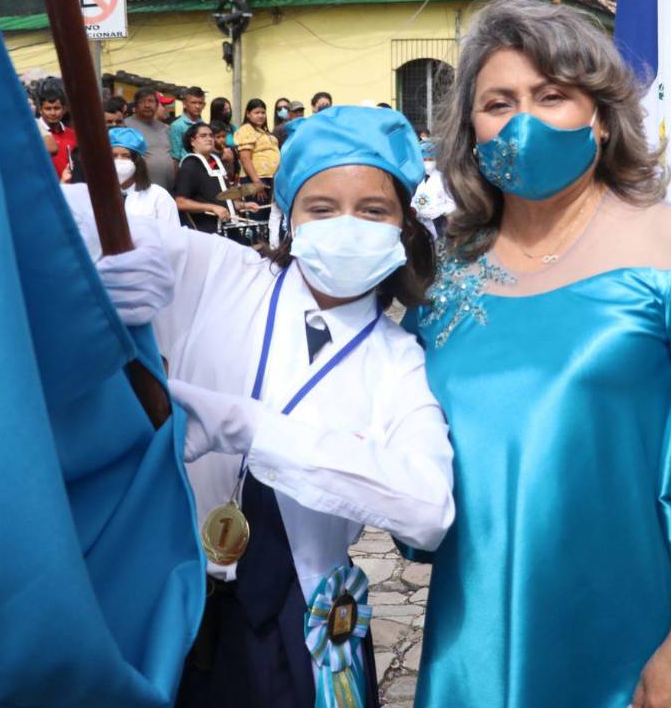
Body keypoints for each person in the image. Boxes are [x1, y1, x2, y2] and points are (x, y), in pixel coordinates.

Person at [406, 0, 671, 708]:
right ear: (469, 129)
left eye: (551, 95)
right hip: (479, 634)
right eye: (498, 102)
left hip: (637, 630)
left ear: (599, 115)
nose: (522, 120)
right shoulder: (448, 277)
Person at [80, 106, 456, 708]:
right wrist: (99, 271)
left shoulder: (398, 360)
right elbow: (66, 223)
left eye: (374, 210)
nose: (347, 226)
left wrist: (252, 429)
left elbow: (427, 507)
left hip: (298, 631)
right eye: (323, 208)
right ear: (288, 217)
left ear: (405, 227)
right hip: (166, 601)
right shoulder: (219, 273)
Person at [174, 120, 246, 234]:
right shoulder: (190, 165)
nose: (209, 139)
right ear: (192, 141)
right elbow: (180, 202)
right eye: (203, 136)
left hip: (227, 228)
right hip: (207, 232)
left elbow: (222, 202)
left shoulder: (216, 162)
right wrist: (211, 208)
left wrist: (243, 205)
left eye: (211, 135)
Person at [108, 126, 179, 228]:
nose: (119, 161)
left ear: (137, 161)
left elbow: (172, 235)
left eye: (126, 156)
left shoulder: (158, 196)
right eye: (114, 156)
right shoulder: (96, 195)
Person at [124, 87, 176, 191]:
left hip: (168, 189)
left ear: (157, 105)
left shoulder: (165, 128)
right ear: (136, 106)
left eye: (151, 101)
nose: (147, 105)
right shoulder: (126, 125)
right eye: (142, 102)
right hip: (141, 189)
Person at [234, 98, 280, 202]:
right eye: (257, 112)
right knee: (259, 214)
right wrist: (257, 182)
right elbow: (245, 158)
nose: (260, 115)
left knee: (269, 215)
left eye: (263, 112)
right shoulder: (246, 130)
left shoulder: (263, 132)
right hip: (256, 179)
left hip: (270, 178)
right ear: (248, 114)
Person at [36, 78, 76, 179]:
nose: (53, 113)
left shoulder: (72, 135)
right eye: (48, 109)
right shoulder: (34, 133)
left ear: (64, 109)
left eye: (57, 108)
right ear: (40, 110)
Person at [170, 86, 207, 162]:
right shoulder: (177, 126)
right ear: (184, 104)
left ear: (204, 105)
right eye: (193, 103)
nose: (197, 106)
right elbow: (175, 156)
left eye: (200, 103)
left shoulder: (203, 125)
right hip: (186, 167)